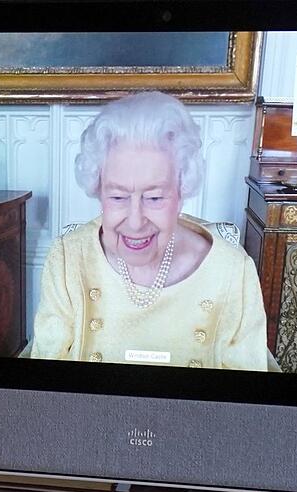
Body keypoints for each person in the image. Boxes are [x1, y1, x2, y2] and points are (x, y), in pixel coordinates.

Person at [29, 92, 269, 371]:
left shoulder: (232, 271)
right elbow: (45, 384)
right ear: (99, 191)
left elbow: (244, 400)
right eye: (118, 197)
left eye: (154, 198)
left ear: (182, 192)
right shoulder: (68, 259)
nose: (135, 221)